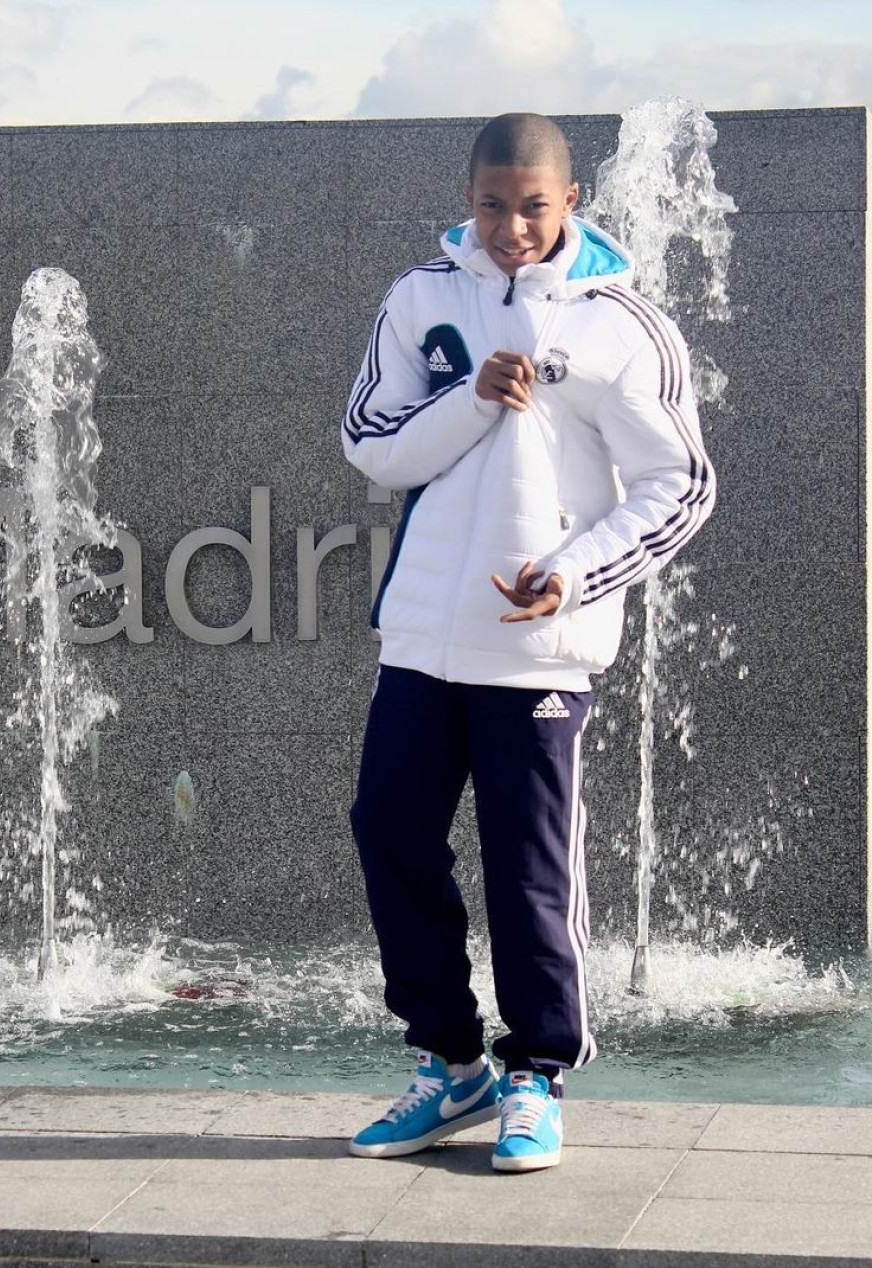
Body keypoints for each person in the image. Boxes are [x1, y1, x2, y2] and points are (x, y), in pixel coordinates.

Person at [342, 112, 715, 1173]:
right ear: (468, 198)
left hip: (539, 648)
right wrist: (470, 400)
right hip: (422, 636)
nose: (510, 227)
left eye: (532, 206)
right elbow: (369, 444)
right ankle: (447, 1061)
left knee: (527, 868)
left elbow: (678, 484)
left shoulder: (618, 325)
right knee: (386, 827)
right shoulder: (419, 298)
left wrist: (573, 573)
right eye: (492, 205)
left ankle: (536, 1071)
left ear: (570, 204)